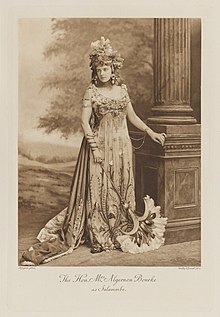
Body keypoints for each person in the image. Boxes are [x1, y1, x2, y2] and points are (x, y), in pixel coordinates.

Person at [20, 37, 167, 266]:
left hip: (122, 147)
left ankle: (119, 228)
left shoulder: (122, 90)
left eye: (106, 68)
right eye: (99, 69)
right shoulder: (91, 92)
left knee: (121, 186)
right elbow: (84, 122)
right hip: (99, 147)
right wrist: (95, 148)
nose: (103, 73)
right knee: (100, 189)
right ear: (95, 71)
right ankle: (99, 234)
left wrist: (151, 132)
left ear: (113, 68)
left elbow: (133, 118)